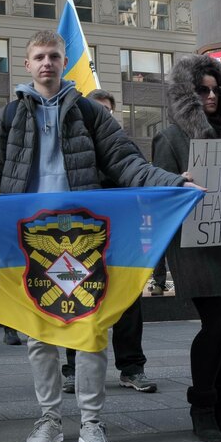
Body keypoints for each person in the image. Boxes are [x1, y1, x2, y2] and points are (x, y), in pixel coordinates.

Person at [0, 30, 194, 442]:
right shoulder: (6, 117)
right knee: (38, 335)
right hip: (30, 240)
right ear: (26, 64)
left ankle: (92, 423)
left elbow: (126, 160)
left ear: (64, 62)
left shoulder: (91, 114)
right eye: (38, 56)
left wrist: (172, 181)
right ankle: (50, 417)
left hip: (85, 239)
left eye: (54, 56)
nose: (46, 63)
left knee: (90, 332)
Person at [152, 54, 221, 442]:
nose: (210, 96)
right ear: (187, 93)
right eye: (202, 89)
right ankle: (202, 406)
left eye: (216, 89)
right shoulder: (171, 138)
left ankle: (219, 407)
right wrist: (180, 182)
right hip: (196, 247)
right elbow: (159, 193)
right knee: (216, 325)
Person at [61, 88, 157, 395]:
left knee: (128, 303)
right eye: (96, 110)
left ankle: (132, 368)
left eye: (107, 111)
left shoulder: (124, 147)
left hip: (121, 238)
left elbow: (142, 179)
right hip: (80, 239)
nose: (102, 116)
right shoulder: (71, 146)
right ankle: (73, 368)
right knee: (75, 300)